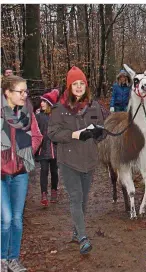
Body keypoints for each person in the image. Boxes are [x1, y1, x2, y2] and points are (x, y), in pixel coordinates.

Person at [48, 66, 105, 255]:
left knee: (83, 200)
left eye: (82, 83)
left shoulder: (94, 106)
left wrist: (99, 133)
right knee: (76, 197)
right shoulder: (59, 108)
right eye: (75, 84)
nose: (79, 87)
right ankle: (82, 237)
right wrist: (73, 134)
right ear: (69, 86)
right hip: (69, 160)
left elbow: (102, 130)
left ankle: (75, 230)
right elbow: (52, 133)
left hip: (89, 159)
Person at [1, 76, 43, 272]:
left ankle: (13, 258)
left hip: (20, 173)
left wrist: (25, 156)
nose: (25, 95)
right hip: (0, 174)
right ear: (7, 92)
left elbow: (37, 136)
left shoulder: (27, 112)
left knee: (17, 219)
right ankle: (1, 259)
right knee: (6, 219)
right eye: (20, 91)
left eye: (26, 91)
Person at [35, 89, 60, 207]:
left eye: (44, 102)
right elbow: (35, 132)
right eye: (41, 101)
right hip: (43, 149)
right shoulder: (38, 116)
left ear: (50, 104)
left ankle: (54, 191)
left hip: (55, 150)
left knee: (54, 172)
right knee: (43, 171)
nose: (42, 103)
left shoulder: (56, 116)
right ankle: (44, 194)